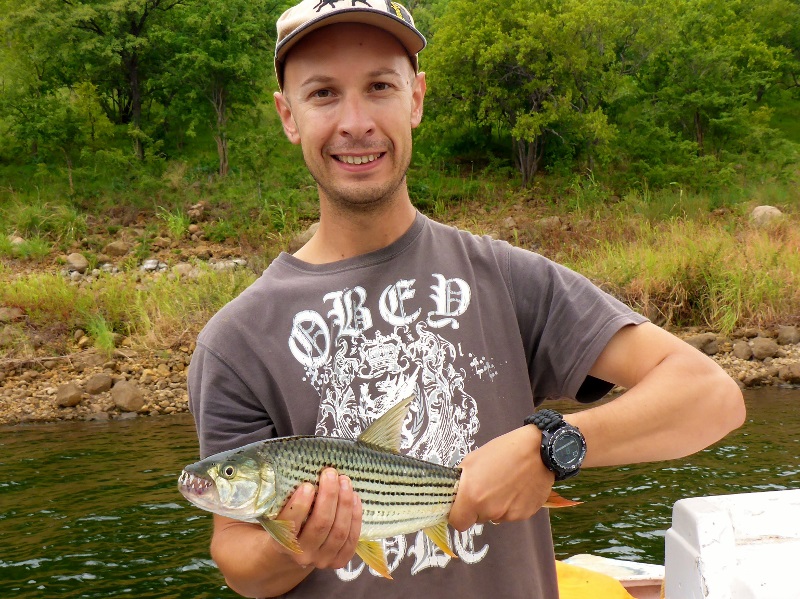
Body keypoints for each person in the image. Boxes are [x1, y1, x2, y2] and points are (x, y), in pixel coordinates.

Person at [186, 0, 746, 597]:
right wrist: (297, 545)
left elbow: (712, 398)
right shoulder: (235, 342)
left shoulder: (505, 278)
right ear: (287, 115)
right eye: (323, 93)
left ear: (417, 98)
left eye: (379, 86)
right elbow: (238, 560)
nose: (354, 121)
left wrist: (552, 446)